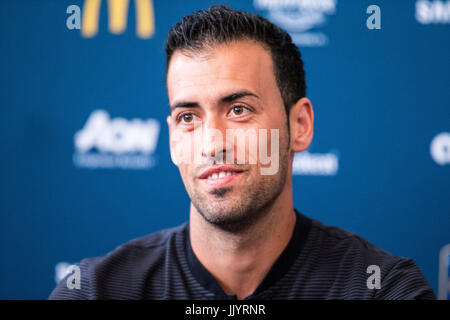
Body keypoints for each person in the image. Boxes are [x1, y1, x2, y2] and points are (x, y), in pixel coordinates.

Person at [49, 5, 435, 300]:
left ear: (299, 125)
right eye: (188, 117)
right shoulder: (95, 291)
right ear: (172, 139)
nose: (212, 142)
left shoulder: (382, 289)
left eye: (239, 110)